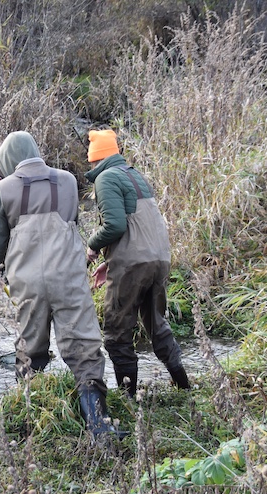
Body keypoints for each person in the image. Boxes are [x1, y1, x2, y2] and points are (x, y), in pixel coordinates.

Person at [0, 131, 123, 437]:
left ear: (8, 160)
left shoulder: (1, 192)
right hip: (69, 278)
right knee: (84, 348)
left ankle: (32, 416)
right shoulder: (68, 181)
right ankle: (98, 424)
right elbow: (70, 219)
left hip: (27, 284)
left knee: (30, 350)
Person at [84, 129, 191, 399]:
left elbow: (116, 226)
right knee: (157, 324)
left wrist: (93, 245)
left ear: (95, 159)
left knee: (117, 331)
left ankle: (128, 400)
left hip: (133, 265)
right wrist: (110, 262)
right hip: (158, 259)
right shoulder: (135, 175)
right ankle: (183, 387)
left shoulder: (106, 178)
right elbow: (138, 228)